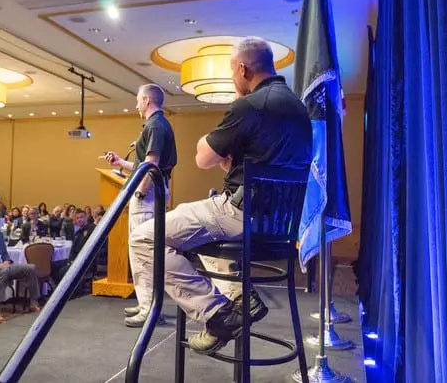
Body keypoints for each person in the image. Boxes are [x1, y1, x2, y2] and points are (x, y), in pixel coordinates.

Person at [129, 37, 313, 354]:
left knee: (145, 238)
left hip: (241, 215)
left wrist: (208, 139)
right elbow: (262, 163)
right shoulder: (299, 109)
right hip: (281, 226)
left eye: (231, 72)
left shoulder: (249, 106)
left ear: (242, 69)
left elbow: (203, 158)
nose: (232, 79)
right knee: (194, 228)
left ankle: (218, 314)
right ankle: (241, 295)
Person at [100, 83, 178, 327]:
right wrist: (120, 162)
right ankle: (146, 302)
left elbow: (151, 164)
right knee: (142, 251)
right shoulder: (159, 124)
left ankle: (149, 308)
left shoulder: (155, 125)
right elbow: (143, 165)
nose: (136, 105)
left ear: (146, 100)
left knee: (141, 251)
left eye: (137, 100)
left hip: (149, 193)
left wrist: (140, 193)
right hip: (154, 190)